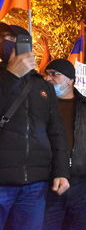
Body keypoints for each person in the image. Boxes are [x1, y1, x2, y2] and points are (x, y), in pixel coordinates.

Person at [0, 23, 69, 229]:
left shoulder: (43, 85)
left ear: (26, 45)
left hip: (35, 185)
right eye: (3, 38)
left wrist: (61, 171)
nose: (5, 43)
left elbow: (56, 132)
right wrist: (11, 76)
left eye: (13, 39)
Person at [42, 59, 86, 230]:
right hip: (49, 182)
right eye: (47, 74)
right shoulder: (40, 105)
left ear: (70, 79)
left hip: (84, 183)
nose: (48, 78)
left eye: (54, 74)